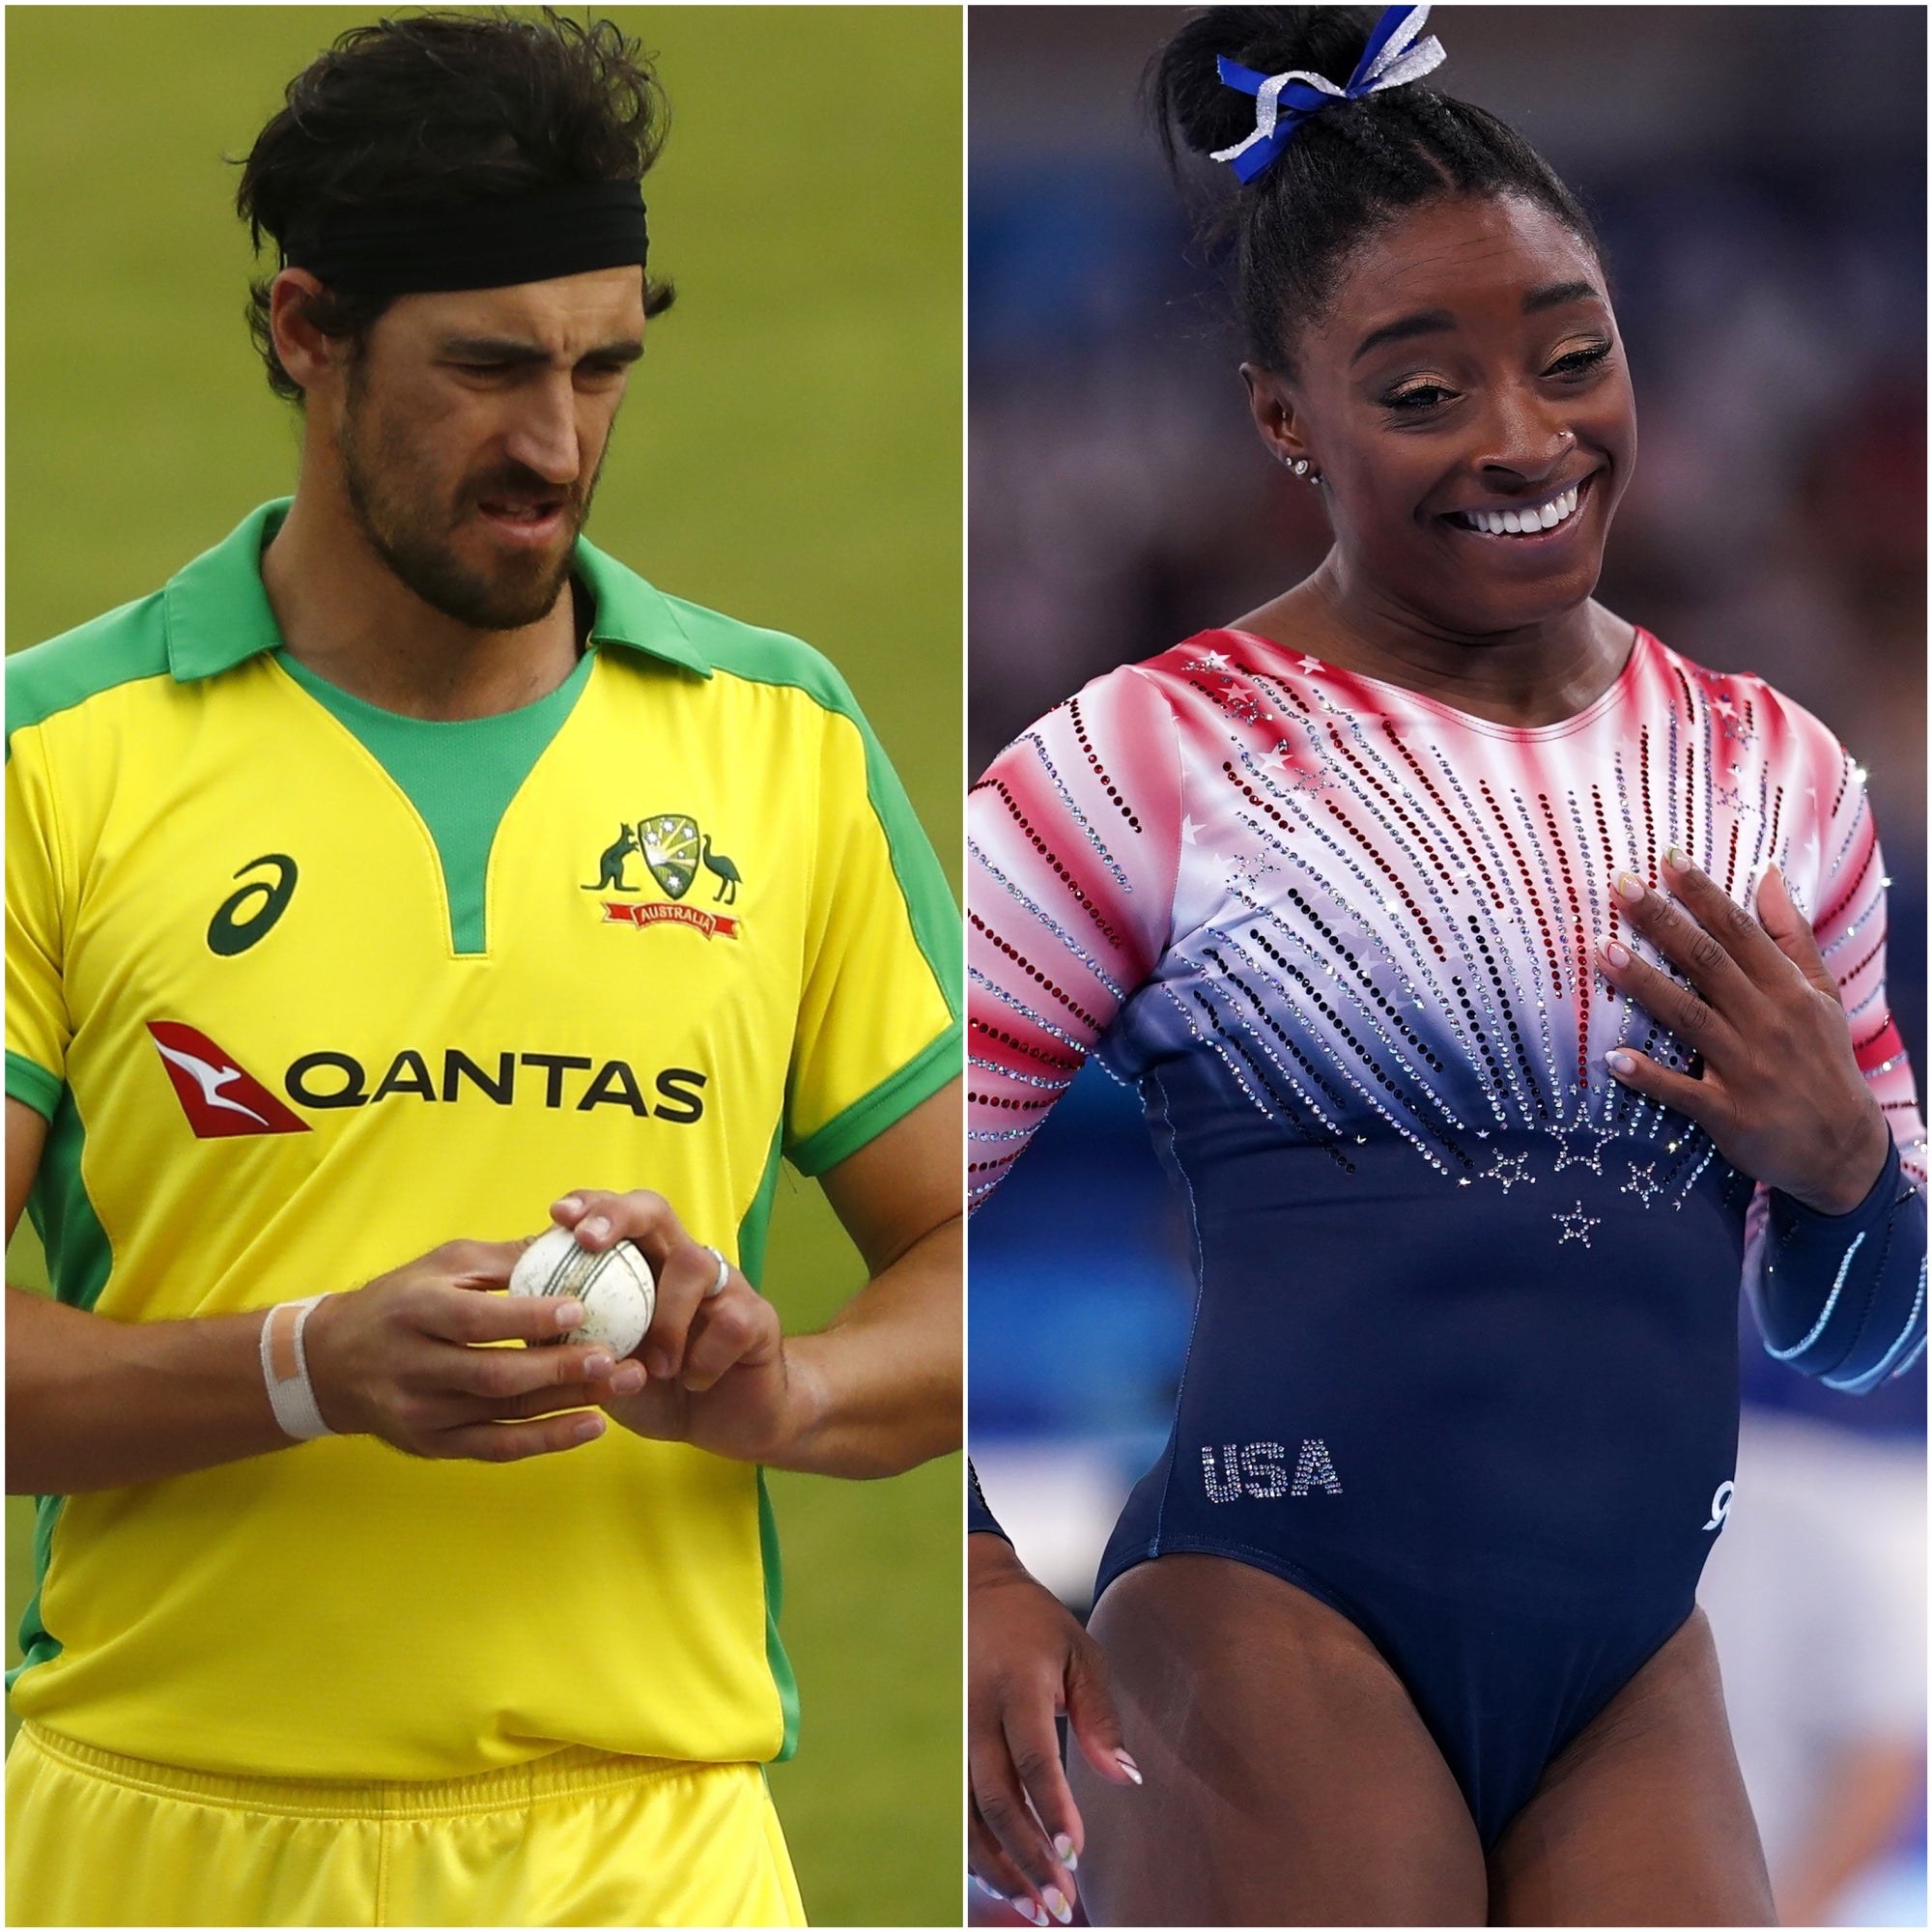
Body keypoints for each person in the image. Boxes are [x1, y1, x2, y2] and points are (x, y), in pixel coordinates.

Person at [964, 6, 1925, 1924]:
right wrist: (978, 1572)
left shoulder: (1776, 777)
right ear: (1280, 419)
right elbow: (863, 1185)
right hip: (1267, 1614)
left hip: (1632, 1657)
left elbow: (1863, 1324)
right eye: (1419, 394)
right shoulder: (1142, 760)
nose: (1522, 439)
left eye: (1572, 360)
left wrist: (1844, 1178)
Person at [5, 14, 961, 1927]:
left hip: (648, 1849)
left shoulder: (775, 743)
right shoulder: (57, 757)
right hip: (154, 1844)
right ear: (306, 332)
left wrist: (792, 1390)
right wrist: (302, 1369)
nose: (557, 443)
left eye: (607, 365)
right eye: (488, 368)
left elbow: (964, 1254)